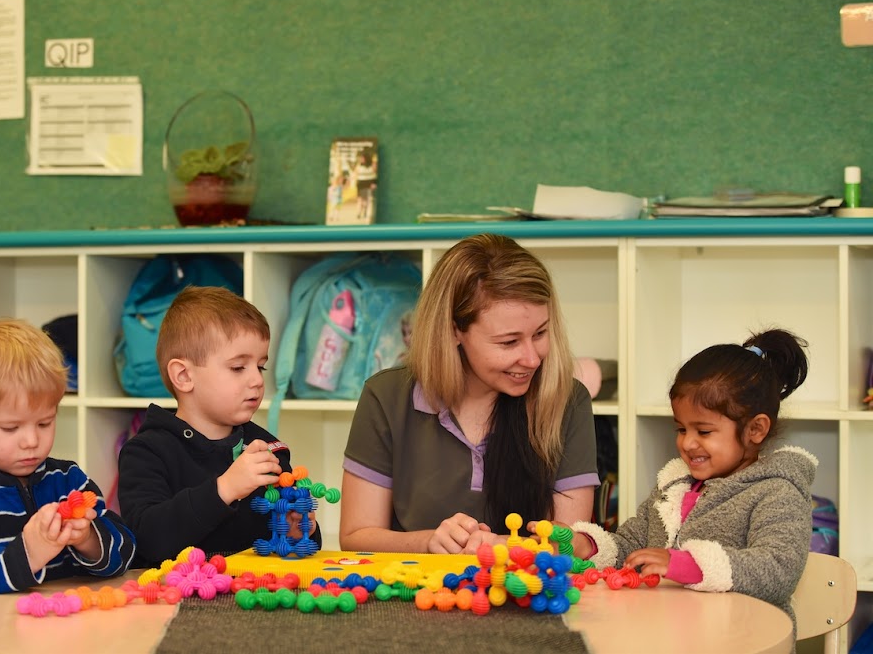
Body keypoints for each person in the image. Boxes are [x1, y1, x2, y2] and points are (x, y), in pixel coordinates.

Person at [340, 233, 598, 554]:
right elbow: (356, 536)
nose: (532, 359)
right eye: (508, 342)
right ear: (454, 331)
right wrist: (428, 541)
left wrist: (506, 547)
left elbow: (576, 542)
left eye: (541, 333)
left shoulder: (567, 399)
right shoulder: (386, 396)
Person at [0, 318, 135, 654]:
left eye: (45, 422)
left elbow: (126, 553)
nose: (31, 441)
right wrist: (26, 555)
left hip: (59, 643)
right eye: (10, 428)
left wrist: (89, 540)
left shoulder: (68, 481)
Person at [569, 328, 814, 626]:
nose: (687, 443)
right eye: (681, 429)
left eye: (704, 431)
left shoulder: (778, 493)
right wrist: (588, 546)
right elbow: (632, 546)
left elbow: (777, 569)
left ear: (755, 430)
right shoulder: (674, 486)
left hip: (739, 640)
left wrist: (686, 564)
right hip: (667, 635)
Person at [118, 286, 319, 566]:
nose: (257, 381)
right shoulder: (146, 452)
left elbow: (290, 544)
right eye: (238, 368)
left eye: (260, 367)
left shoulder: (267, 450)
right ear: (184, 376)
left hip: (255, 596)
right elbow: (148, 540)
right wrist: (225, 489)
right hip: (173, 598)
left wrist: (300, 529)